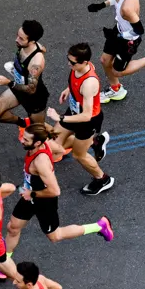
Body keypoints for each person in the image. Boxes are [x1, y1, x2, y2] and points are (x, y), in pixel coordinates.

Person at [3, 125, 115, 254]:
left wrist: (32, 192)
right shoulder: (46, 143)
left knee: (55, 236)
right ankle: (4, 261)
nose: (22, 140)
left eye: (26, 139)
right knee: (13, 227)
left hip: (44, 201)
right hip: (30, 195)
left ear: (37, 143)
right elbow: (61, 150)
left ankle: (99, 226)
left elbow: (55, 191)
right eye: (24, 137)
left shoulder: (40, 163)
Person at [45, 43, 114, 197]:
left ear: (84, 62)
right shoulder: (81, 67)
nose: (69, 64)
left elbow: (87, 115)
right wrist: (69, 89)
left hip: (87, 122)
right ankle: (95, 142)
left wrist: (59, 117)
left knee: (79, 155)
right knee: (54, 142)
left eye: (73, 62)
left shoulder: (89, 83)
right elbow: (76, 81)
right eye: (68, 59)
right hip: (74, 111)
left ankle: (102, 179)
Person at [0, 20, 49, 130]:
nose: (16, 40)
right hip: (18, 88)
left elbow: (31, 90)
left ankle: (60, 138)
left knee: (38, 129)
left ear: (32, 41)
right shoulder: (27, 45)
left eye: (21, 38)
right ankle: (23, 123)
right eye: (17, 35)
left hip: (34, 98)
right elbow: (43, 49)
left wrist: (8, 82)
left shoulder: (36, 63)